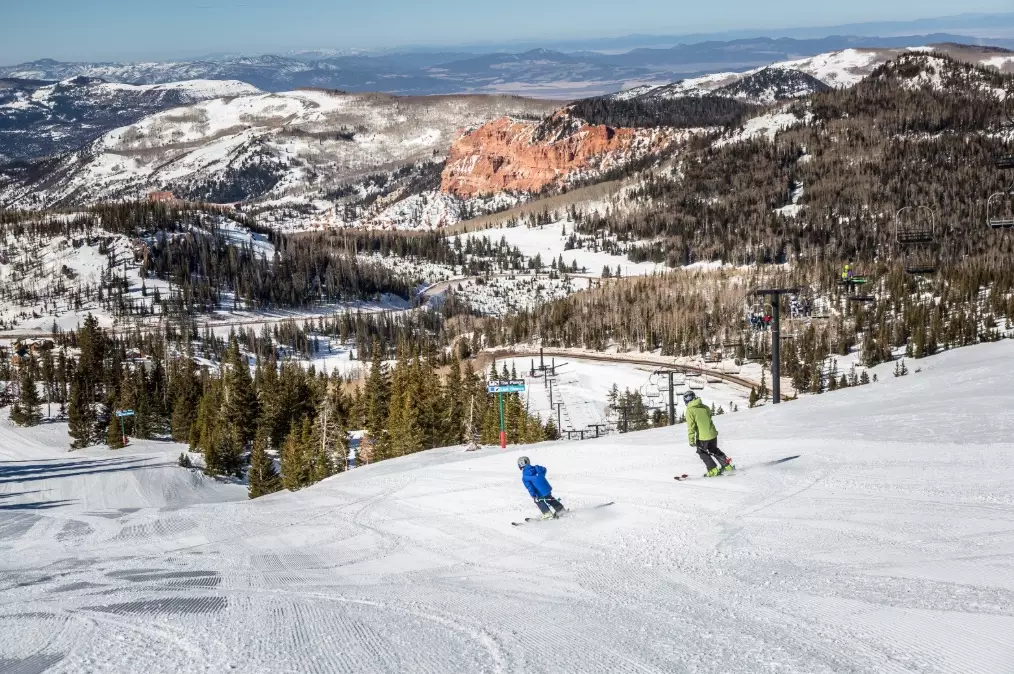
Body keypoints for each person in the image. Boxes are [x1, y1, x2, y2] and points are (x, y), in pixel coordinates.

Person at [684, 391, 734, 477]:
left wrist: (691, 440)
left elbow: (691, 427)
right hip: (713, 434)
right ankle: (727, 466)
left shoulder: (690, 411)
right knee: (714, 450)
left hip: (703, 437)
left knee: (702, 452)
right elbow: (709, 418)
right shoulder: (705, 407)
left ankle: (713, 469)